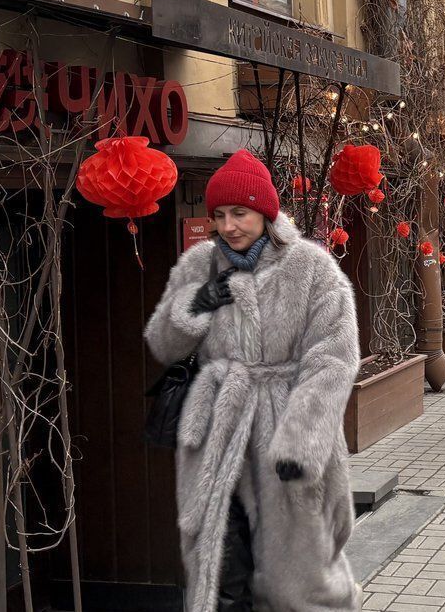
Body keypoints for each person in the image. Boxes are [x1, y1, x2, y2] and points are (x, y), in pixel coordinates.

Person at [145, 149, 362, 611]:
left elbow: (334, 359)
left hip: (286, 433)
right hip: (218, 436)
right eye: (219, 215)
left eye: (239, 213)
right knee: (221, 572)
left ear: (265, 212)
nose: (228, 226)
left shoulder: (311, 268)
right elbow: (163, 345)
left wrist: (300, 443)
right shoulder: (197, 266)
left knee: (299, 583)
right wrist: (193, 308)